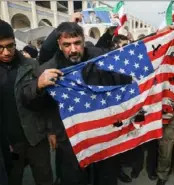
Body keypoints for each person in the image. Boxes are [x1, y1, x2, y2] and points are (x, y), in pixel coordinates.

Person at [20, 22, 133, 185]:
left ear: (83, 40)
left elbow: (125, 68)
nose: (73, 50)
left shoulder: (100, 57)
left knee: (105, 178)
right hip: (70, 141)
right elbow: (28, 101)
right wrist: (37, 86)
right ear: (59, 44)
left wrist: (161, 38)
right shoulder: (49, 68)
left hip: (102, 134)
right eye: (67, 45)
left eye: (77, 43)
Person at [0, 20, 53, 185]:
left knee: (44, 179)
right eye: (0, 48)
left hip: (36, 139)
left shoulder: (31, 65)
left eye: (10, 46)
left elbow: (47, 100)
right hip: (9, 143)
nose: (6, 52)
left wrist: (51, 130)